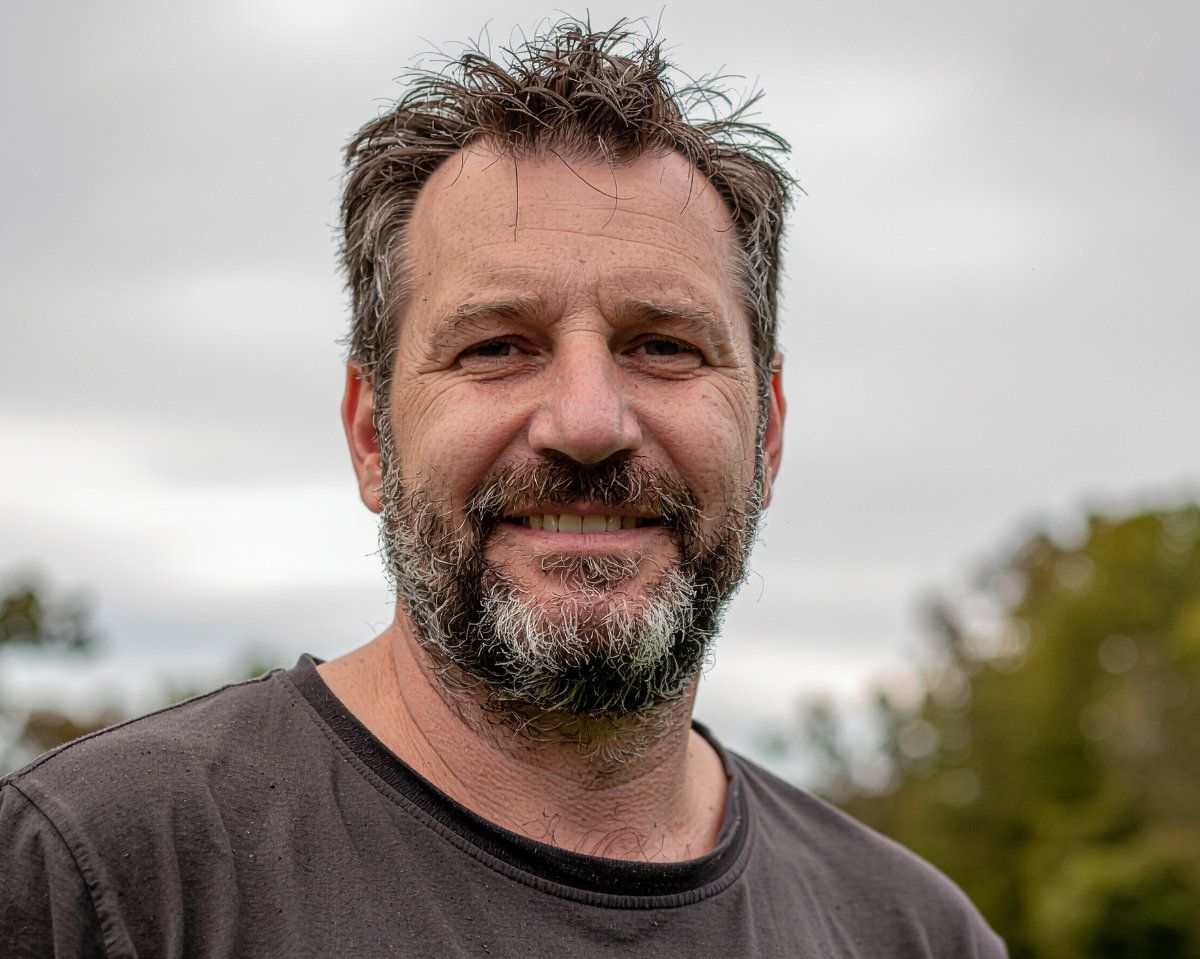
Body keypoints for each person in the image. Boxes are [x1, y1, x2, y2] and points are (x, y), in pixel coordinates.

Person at [1, 21, 1006, 957]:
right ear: (371, 433)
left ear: (769, 432)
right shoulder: (95, 874)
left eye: (663, 345)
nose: (587, 422)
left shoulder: (914, 932)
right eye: (496, 347)